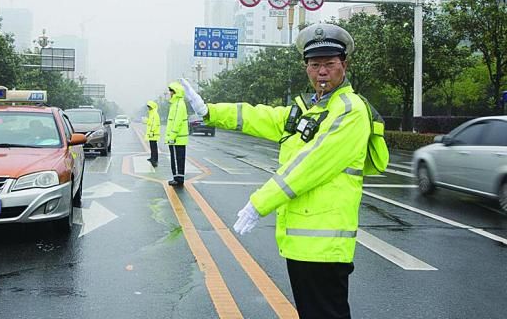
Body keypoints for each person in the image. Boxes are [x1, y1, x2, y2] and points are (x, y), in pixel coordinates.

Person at [180, 23, 388, 319]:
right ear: (306, 68)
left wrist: (259, 203)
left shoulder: (350, 110)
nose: (322, 72)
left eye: (329, 64)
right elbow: (258, 116)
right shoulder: (309, 108)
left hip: (324, 243)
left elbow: (310, 165)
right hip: (304, 242)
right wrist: (208, 111)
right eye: (315, 65)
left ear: (344, 65)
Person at [165, 81, 188, 186]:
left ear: (175, 92)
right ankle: (179, 178)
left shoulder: (178, 104)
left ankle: (177, 179)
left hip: (176, 138)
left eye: (171, 91)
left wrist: (172, 136)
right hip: (179, 138)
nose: (169, 93)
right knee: (179, 158)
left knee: (176, 159)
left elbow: (176, 122)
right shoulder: (177, 103)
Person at [145, 100, 161, 167]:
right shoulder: (151, 114)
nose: (148, 108)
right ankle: (152, 158)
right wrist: (146, 120)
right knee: (152, 146)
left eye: (149, 107)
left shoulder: (154, 114)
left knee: (154, 147)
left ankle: (155, 160)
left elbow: (154, 124)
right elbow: (150, 122)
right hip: (152, 134)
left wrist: (151, 131)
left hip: (153, 134)